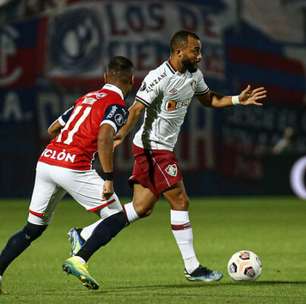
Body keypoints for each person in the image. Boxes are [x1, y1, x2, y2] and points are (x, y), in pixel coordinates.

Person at [67, 30, 267, 283]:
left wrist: (238, 99)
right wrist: (121, 133)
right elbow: (137, 108)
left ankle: (84, 234)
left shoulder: (194, 75)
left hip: (162, 149)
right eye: (195, 50)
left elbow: (209, 100)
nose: (200, 56)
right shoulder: (158, 77)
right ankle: (192, 267)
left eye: (200, 50)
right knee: (180, 201)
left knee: (141, 208)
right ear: (179, 51)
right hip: (153, 148)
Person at [0, 56, 134, 293]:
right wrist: (109, 178)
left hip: (46, 161)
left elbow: (53, 128)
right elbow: (104, 136)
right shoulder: (117, 105)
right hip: (73, 167)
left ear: (105, 77)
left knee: (32, 229)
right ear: (131, 81)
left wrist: (67, 147)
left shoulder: (85, 98)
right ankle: (80, 257)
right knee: (117, 216)